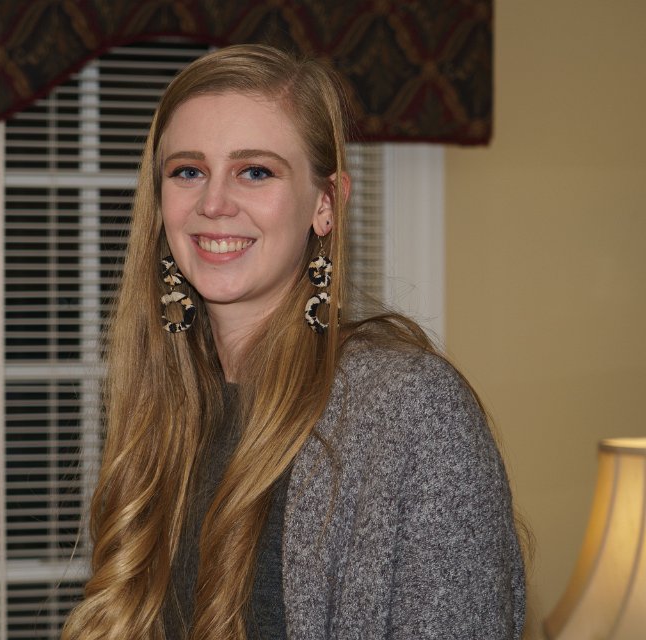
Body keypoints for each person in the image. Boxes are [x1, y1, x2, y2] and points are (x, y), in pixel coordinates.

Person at [62, 44, 526, 639]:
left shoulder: (410, 411)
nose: (213, 203)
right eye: (188, 171)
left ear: (325, 204)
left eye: (255, 171)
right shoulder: (167, 407)